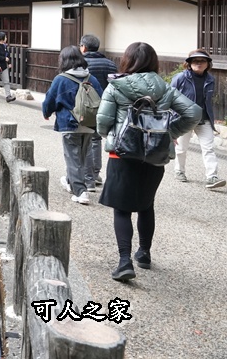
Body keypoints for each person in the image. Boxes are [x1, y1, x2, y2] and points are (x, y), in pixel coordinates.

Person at [96, 42, 202, 282]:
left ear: (127, 60)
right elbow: (194, 113)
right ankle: (144, 254)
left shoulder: (116, 86)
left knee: (122, 209)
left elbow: (102, 122)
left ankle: (124, 262)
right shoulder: (165, 88)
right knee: (146, 204)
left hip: (122, 154)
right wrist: (168, 132)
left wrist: (112, 135)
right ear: (153, 62)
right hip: (155, 155)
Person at [43, 46, 103, 205]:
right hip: (89, 124)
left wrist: (46, 112)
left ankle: (80, 191)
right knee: (81, 157)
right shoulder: (91, 78)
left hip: (69, 123)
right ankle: (71, 181)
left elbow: (50, 99)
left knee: (72, 158)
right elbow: (101, 99)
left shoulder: (61, 79)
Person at [171, 49, 226, 189]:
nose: (199, 63)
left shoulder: (210, 79)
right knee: (181, 148)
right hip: (184, 119)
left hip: (204, 118)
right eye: (195, 61)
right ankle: (179, 171)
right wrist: (171, 119)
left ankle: (212, 177)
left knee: (208, 148)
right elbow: (170, 98)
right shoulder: (180, 78)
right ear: (189, 63)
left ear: (208, 64)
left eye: (202, 61)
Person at [80, 34, 118, 191]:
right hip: (104, 107)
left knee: (84, 141)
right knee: (96, 140)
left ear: (84, 47)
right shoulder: (110, 64)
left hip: (84, 108)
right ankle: (95, 174)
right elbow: (115, 87)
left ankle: (87, 177)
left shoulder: (80, 64)